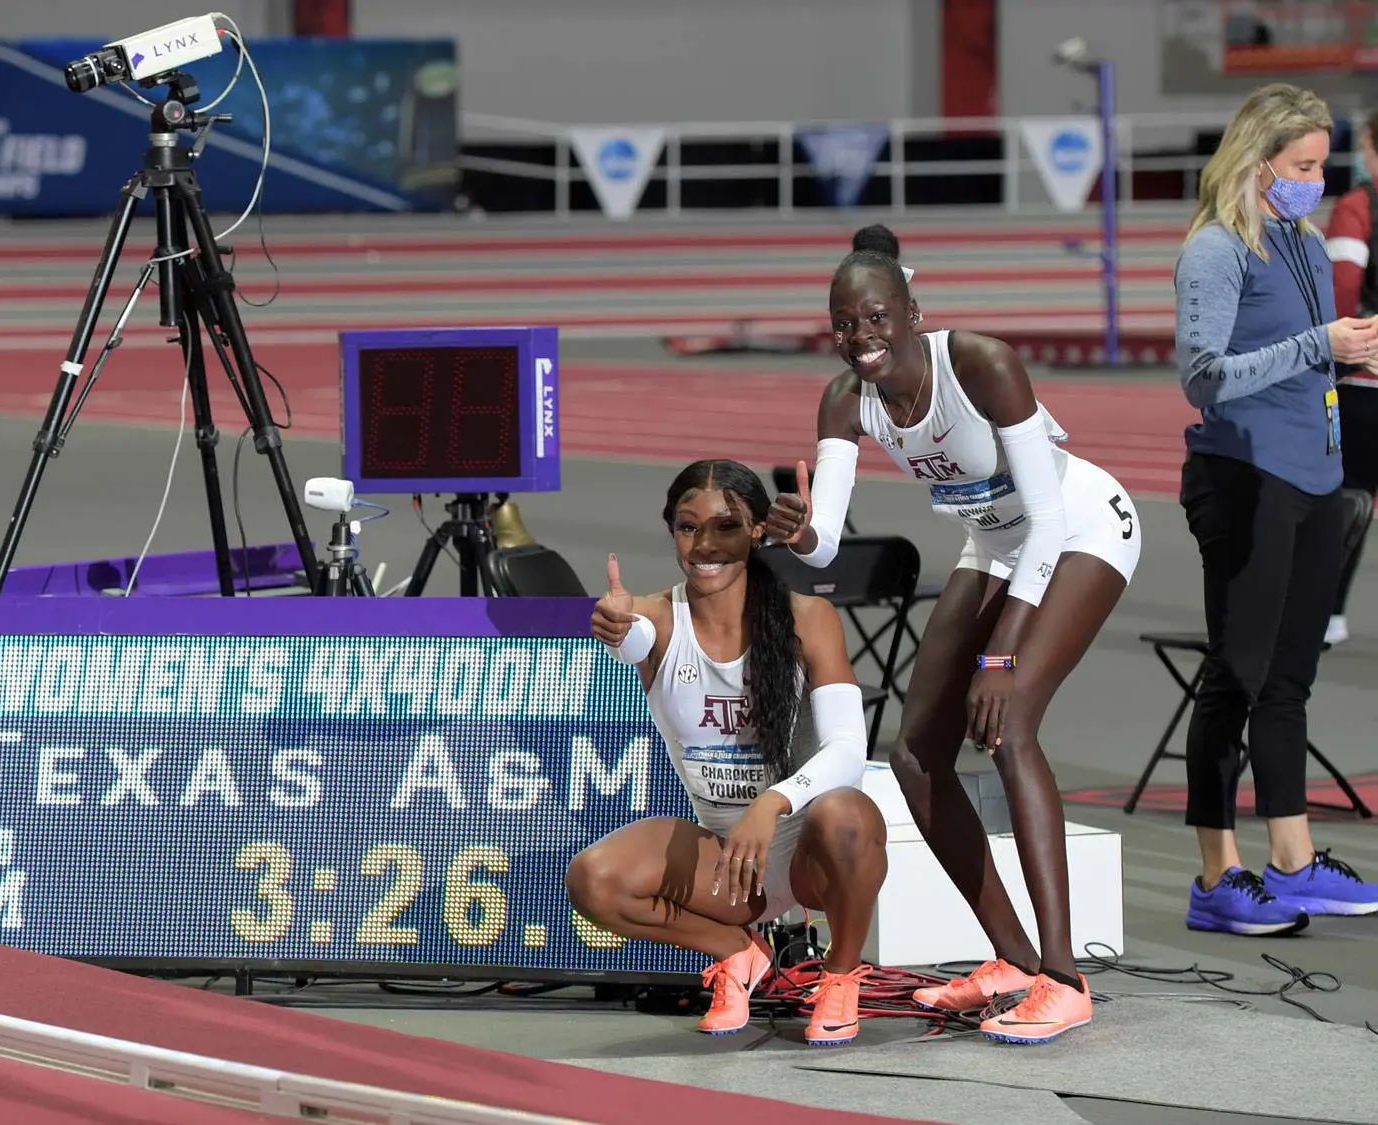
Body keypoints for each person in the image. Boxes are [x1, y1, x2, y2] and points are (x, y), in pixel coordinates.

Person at [763, 223, 1142, 1044]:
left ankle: (1065, 976)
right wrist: (800, 535)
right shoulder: (844, 399)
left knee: (1008, 728)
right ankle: (1008, 959)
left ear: (909, 311)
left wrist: (1001, 656)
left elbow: (1045, 519)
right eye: (845, 323)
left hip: (1079, 531)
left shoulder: (979, 363)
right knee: (915, 754)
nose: (861, 337)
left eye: (875, 318)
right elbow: (825, 541)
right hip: (996, 543)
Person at [567, 459, 887, 1047]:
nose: (704, 545)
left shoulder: (808, 616)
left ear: (758, 530)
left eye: (725, 527)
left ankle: (840, 975)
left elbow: (849, 748)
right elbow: (630, 635)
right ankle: (738, 955)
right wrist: (616, 628)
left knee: (848, 813)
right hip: (729, 867)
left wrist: (772, 805)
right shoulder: (655, 617)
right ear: (671, 532)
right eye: (688, 528)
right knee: (594, 879)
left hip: (803, 851)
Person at [1172, 83, 1378, 929]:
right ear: (1256, 162)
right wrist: (1316, 346)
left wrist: (1350, 363)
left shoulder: (1299, 237)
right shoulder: (1216, 251)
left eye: (1322, 163)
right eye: (1301, 165)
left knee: (1290, 677)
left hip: (1316, 477)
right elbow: (1204, 376)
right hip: (1245, 478)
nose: (1316, 179)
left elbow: (1307, 365)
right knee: (1237, 672)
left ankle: (1291, 860)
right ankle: (1217, 874)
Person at [1320, 113, 1378, 645]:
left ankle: (1329, 613)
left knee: (1350, 498)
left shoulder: (1359, 206)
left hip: (1364, 381)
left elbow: (1343, 289)